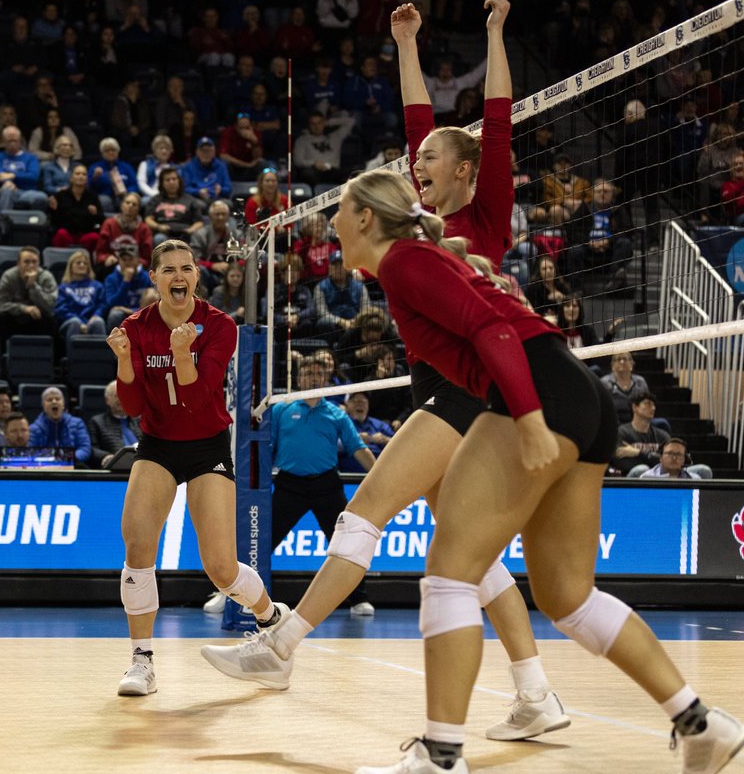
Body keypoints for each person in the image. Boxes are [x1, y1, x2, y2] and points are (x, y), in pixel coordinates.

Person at [200, 0, 571, 744]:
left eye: (431, 159)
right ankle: (537, 693)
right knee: (472, 551)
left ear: (467, 171)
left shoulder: (484, 209)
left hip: (470, 390)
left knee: (362, 513)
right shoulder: (419, 219)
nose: (416, 167)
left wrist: (497, 31)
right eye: (418, 162)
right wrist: (406, 42)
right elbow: (415, 130)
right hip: (440, 386)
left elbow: (495, 121)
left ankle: (280, 645)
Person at [313, 167, 741, 774]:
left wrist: (530, 417)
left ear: (364, 217)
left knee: (449, 576)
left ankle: (440, 758)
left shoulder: (406, 261)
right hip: (577, 394)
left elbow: (490, 327)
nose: (329, 222)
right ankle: (701, 723)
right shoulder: (417, 259)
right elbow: (487, 311)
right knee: (567, 598)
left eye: (339, 211)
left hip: (536, 393)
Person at [106, 239, 287, 697]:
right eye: (167, 269)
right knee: (137, 543)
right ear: (154, 278)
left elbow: (197, 396)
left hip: (208, 446)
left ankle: (272, 619)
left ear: (197, 276)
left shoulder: (219, 325)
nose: (177, 276)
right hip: (158, 444)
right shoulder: (136, 326)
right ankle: (141, 660)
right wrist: (126, 360)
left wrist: (183, 352)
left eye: (186, 268)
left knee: (221, 568)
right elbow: (130, 405)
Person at [219, 355, 376, 620]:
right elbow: (267, 447)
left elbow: (357, 448)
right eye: (308, 373)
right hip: (290, 484)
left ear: (325, 378)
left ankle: (359, 599)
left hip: (327, 484)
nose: (313, 377)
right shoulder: (282, 409)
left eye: (318, 373)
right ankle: (230, 595)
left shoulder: (336, 413)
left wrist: (379, 474)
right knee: (261, 540)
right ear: (299, 378)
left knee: (345, 544)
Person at [0, 246, 57, 339]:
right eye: (26, 262)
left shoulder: (46, 277)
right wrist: (24, 308)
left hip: (37, 318)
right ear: (18, 263)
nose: (31, 265)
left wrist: (33, 286)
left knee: (49, 319)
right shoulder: (8, 276)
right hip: (14, 317)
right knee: (0, 318)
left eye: (34, 262)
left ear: (39, 263)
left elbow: (50, 306)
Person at [102, 239, 157, 330]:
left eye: (130, 259)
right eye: (124, 259)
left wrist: (132, 311)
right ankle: (113, 343)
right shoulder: (111, 279)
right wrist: (126, 281)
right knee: (115, 314)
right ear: (119, 260)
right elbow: (112, 304)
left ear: (138, 260)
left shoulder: (147, 277)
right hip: (120, 313)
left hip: (141, 312)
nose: (127, 263)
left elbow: (153, 303)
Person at [29, 387, 92, 466]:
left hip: (73, 467)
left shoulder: (77, 423)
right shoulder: (34, 428)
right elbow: (30, 452)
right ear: (44, 406)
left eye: (58, 399)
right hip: (45, 469)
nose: (54, 401)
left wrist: (66, 459)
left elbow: (84, 449)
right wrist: (52, 460)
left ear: (63, 405)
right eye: (49, 400)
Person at [48, 164, 105, 252]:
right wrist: (54, 210)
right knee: (61, 234)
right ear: (71, 178)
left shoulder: (93, 197)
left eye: (84, 174)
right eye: (77, 174)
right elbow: (53, 221)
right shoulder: (61, 196)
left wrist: (95, 214)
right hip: (67, 234)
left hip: (85, 235)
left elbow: (101, 220)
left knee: (94, 237)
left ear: (87, 179)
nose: (81, 177)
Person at [87, 380, 142, 469]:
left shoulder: (140, 420)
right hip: (116, 469)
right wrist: (105, 456)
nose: (121, 398)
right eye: (117, 395)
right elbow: (91, 448)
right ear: (107, 400)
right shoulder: (96, 421)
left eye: (125, 395)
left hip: (143, 465)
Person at [613, 391, 669, 477]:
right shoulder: (622, 432)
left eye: (654, 405)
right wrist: (652, 459)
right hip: (630, 478)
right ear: (635, 407)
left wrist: (638, 453)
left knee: (697, 469)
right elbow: (621, 461)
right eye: (648, 404)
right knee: (642, 469)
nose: (653, 408)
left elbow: (669, 460)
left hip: (660, 476)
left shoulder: (662, 435)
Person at [56, 249, 107, 339]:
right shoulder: (63, 288)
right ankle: (72, 353)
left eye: (85, 263)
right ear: (71, 266)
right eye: (78, 263)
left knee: (98, 322)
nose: (82, 265)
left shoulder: (97, 286)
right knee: (75, 323)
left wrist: (96, 315)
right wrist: (80, 322)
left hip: (92, 320)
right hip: (71, 321)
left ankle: (102, 352)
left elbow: (102, 304)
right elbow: (61, 309)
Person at [600, 351, 649, 423]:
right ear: (612, 366)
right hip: (613, 421)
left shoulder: (640, 382)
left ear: (631, 364)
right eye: (618, 359)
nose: (622, 362)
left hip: (637, 422)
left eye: (625, 359)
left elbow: (647, 403)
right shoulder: (605, 383)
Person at [639, 438, 709, 480]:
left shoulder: (695, 480)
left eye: (678, 454)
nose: (674, 458)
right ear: (661, 458)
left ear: (684, 459)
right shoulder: (647, 477)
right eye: (669, 453)